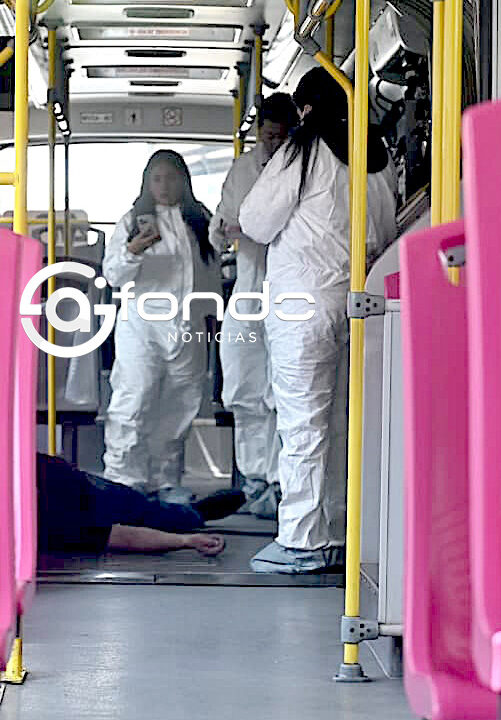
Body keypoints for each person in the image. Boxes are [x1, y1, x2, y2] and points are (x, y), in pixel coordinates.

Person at [238, 67, 398, 574]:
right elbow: (388, 228)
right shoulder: (375, 153)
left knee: (304, 421)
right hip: (360, 300)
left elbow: (255, 222)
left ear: (305, 109)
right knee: (348, 422)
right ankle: (343, 532)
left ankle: (304, 541)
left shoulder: (303, 149)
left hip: (303, 303)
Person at [101, 150, 221, 500]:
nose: (164, 186)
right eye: (157, 179)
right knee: (134, 399)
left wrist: (213, 316)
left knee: (179, 406)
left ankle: (165, 482)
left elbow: (210, 273)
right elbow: (113, 275)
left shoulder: (199, 219)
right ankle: (123, 481)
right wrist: (134, 250)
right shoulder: (132, 220)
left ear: (184, 181)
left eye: (171, 178)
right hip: (143, 325)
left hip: (189, 325)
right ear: (146, 182)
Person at [208, 93, 299, 520]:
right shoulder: (244, 169)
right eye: (268, 134)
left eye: (281, 135)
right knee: (246, 391)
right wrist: (227, 229)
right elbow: (223, 222)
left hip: (292, 291)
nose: (274, 141)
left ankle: (283, 484)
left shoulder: (306, 164)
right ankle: (255, 481)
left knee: (285, 395)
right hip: (249, 287)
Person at [37, 453, 246, 556]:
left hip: (82, 491)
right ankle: (191, 514)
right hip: (71, 492)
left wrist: (185, 540)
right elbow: (113, 537)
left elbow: (114, 536)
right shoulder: (48, 520)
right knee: (144, 510)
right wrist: (185, 541)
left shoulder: (50, 513)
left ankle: (192, 513)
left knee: (143, 509)